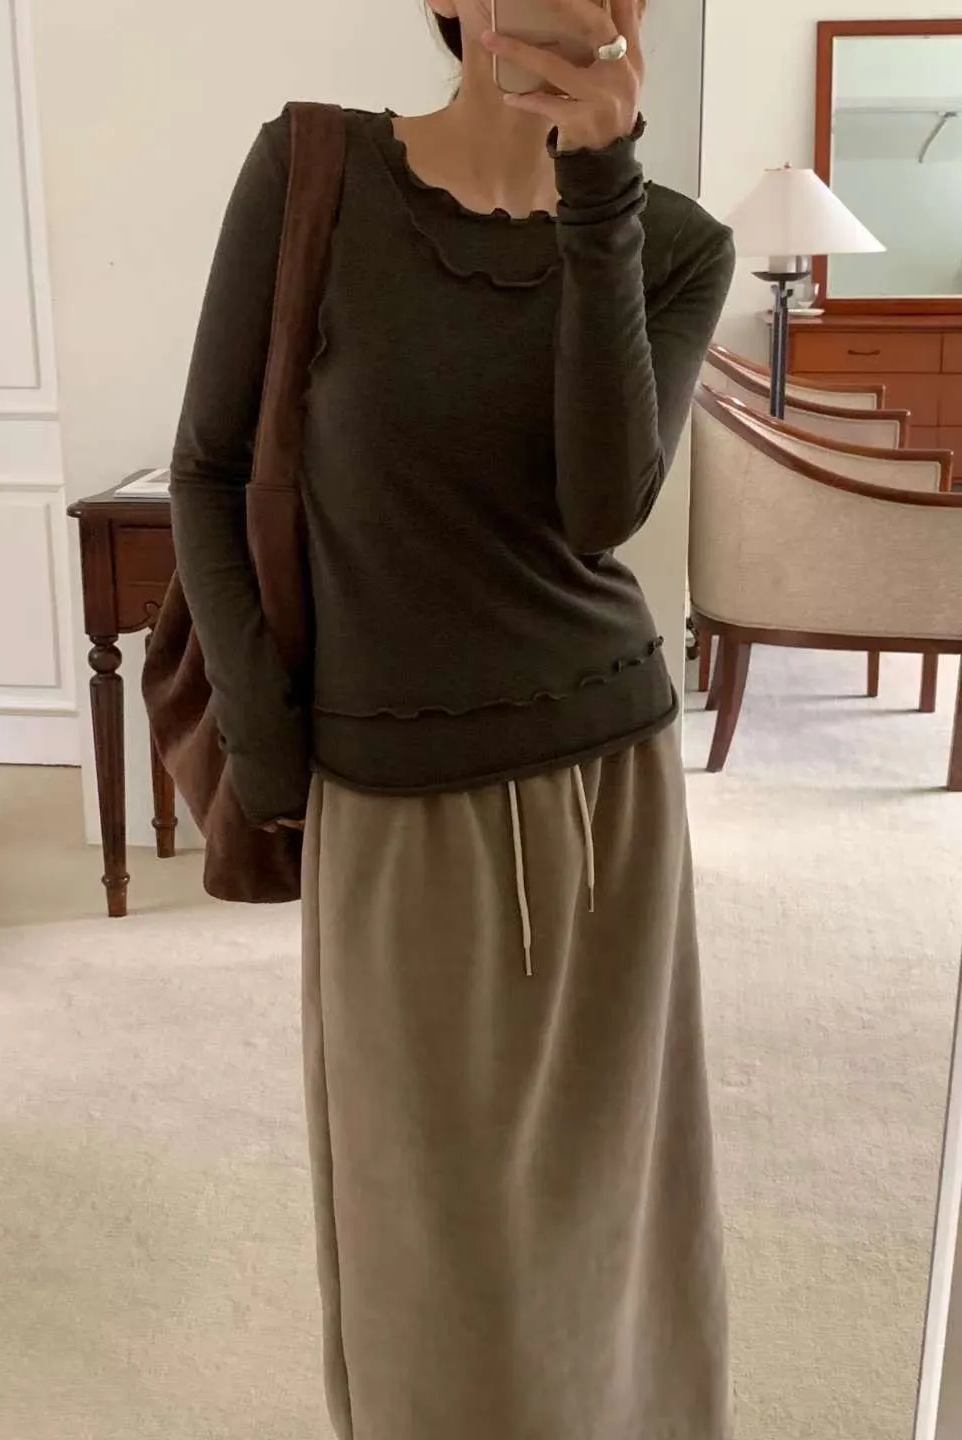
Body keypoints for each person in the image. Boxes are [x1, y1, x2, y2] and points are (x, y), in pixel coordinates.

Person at [170, 0, 735, 1434]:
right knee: (419, 1247)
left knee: (611, 1229)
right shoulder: (313, 174)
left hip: (609, 796)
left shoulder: (674, 243)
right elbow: (208, 471)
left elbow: (600, 507)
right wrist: (270, 751)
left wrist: (600, 185)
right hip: (390, 801)